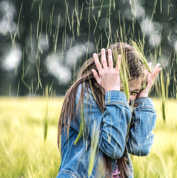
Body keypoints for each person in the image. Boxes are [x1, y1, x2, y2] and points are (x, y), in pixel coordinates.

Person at [57, 42, 161, 178]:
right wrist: (114, 92)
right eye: (124, 90)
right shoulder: (83, 94)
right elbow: (113, 148)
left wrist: (143, 97)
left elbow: (139, 146)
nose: (129, 99)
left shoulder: (124, 101)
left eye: (135, 92)